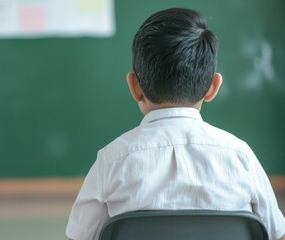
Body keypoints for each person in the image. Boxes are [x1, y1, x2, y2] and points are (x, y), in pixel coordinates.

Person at [65, 8, 285, 240]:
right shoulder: (241, 157)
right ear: (213, 87)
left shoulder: (111, 161)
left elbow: (79, 237)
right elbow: (277, 234)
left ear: (134, 86)